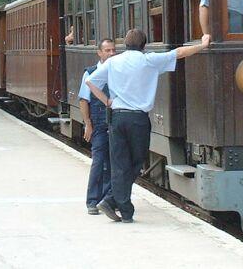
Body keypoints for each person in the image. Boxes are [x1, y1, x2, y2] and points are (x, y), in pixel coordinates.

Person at [86, 29, 211, 223]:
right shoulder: (149, 60)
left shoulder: (113, 61)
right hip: (138, 119)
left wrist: (107, 101)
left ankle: (116, 204)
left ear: (125, 44)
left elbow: (90, 81)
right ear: (144, 45)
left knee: (119, 164)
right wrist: (202, 45)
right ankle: (116, 204)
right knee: (136, 163)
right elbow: (179, 53)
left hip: (117, 117)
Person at [78, 38, 116, 215]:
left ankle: (106, 199)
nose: (111, 53)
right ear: (99, 53)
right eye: (107, 50)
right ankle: (92, 201)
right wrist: (88, 124)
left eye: (113, 50)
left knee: (113, 162)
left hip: (115, 122)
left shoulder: (117, 70)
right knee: (99, 161)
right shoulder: (90, 73)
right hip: (99, 123)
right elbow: (84, 100)